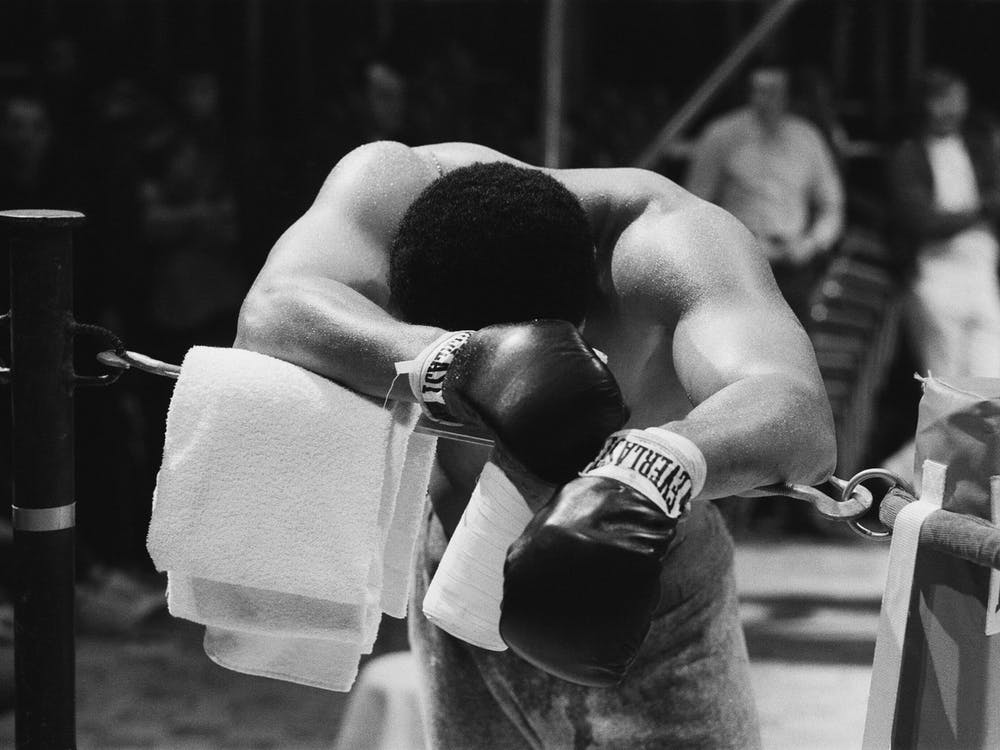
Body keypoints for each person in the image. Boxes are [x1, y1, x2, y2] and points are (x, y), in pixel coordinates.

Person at [234, 140, 836, 748]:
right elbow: (271, 312)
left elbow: (795, 409)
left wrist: (654, 463)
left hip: (643, 588)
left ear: (583, 321)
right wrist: (452, 364)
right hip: (455, 579)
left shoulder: (672, 244)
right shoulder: (389, 191)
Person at [880, 69, 1000, 486]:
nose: (951, 109)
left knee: (990, 388)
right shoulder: (909, 154)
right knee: (948, 390)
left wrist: (974, 212)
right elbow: (921, 220)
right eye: (942, 99)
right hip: (934, 278)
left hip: (981, 273)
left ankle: (899, 475)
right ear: (924, 104)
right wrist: (979, 209)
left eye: (957, 99)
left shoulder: (979, 147)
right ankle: (919, 481)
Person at [686, 65, 845, 322]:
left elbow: (832, 205)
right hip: (738, 265)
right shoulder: (721, 135)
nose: (764, 99)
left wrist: (813, 243)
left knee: (795, 348)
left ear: (787, 95)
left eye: (773, 91)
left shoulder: (807, 137)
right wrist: (732, 247)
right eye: (758, 90)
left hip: (794, 263)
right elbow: (694, 205)